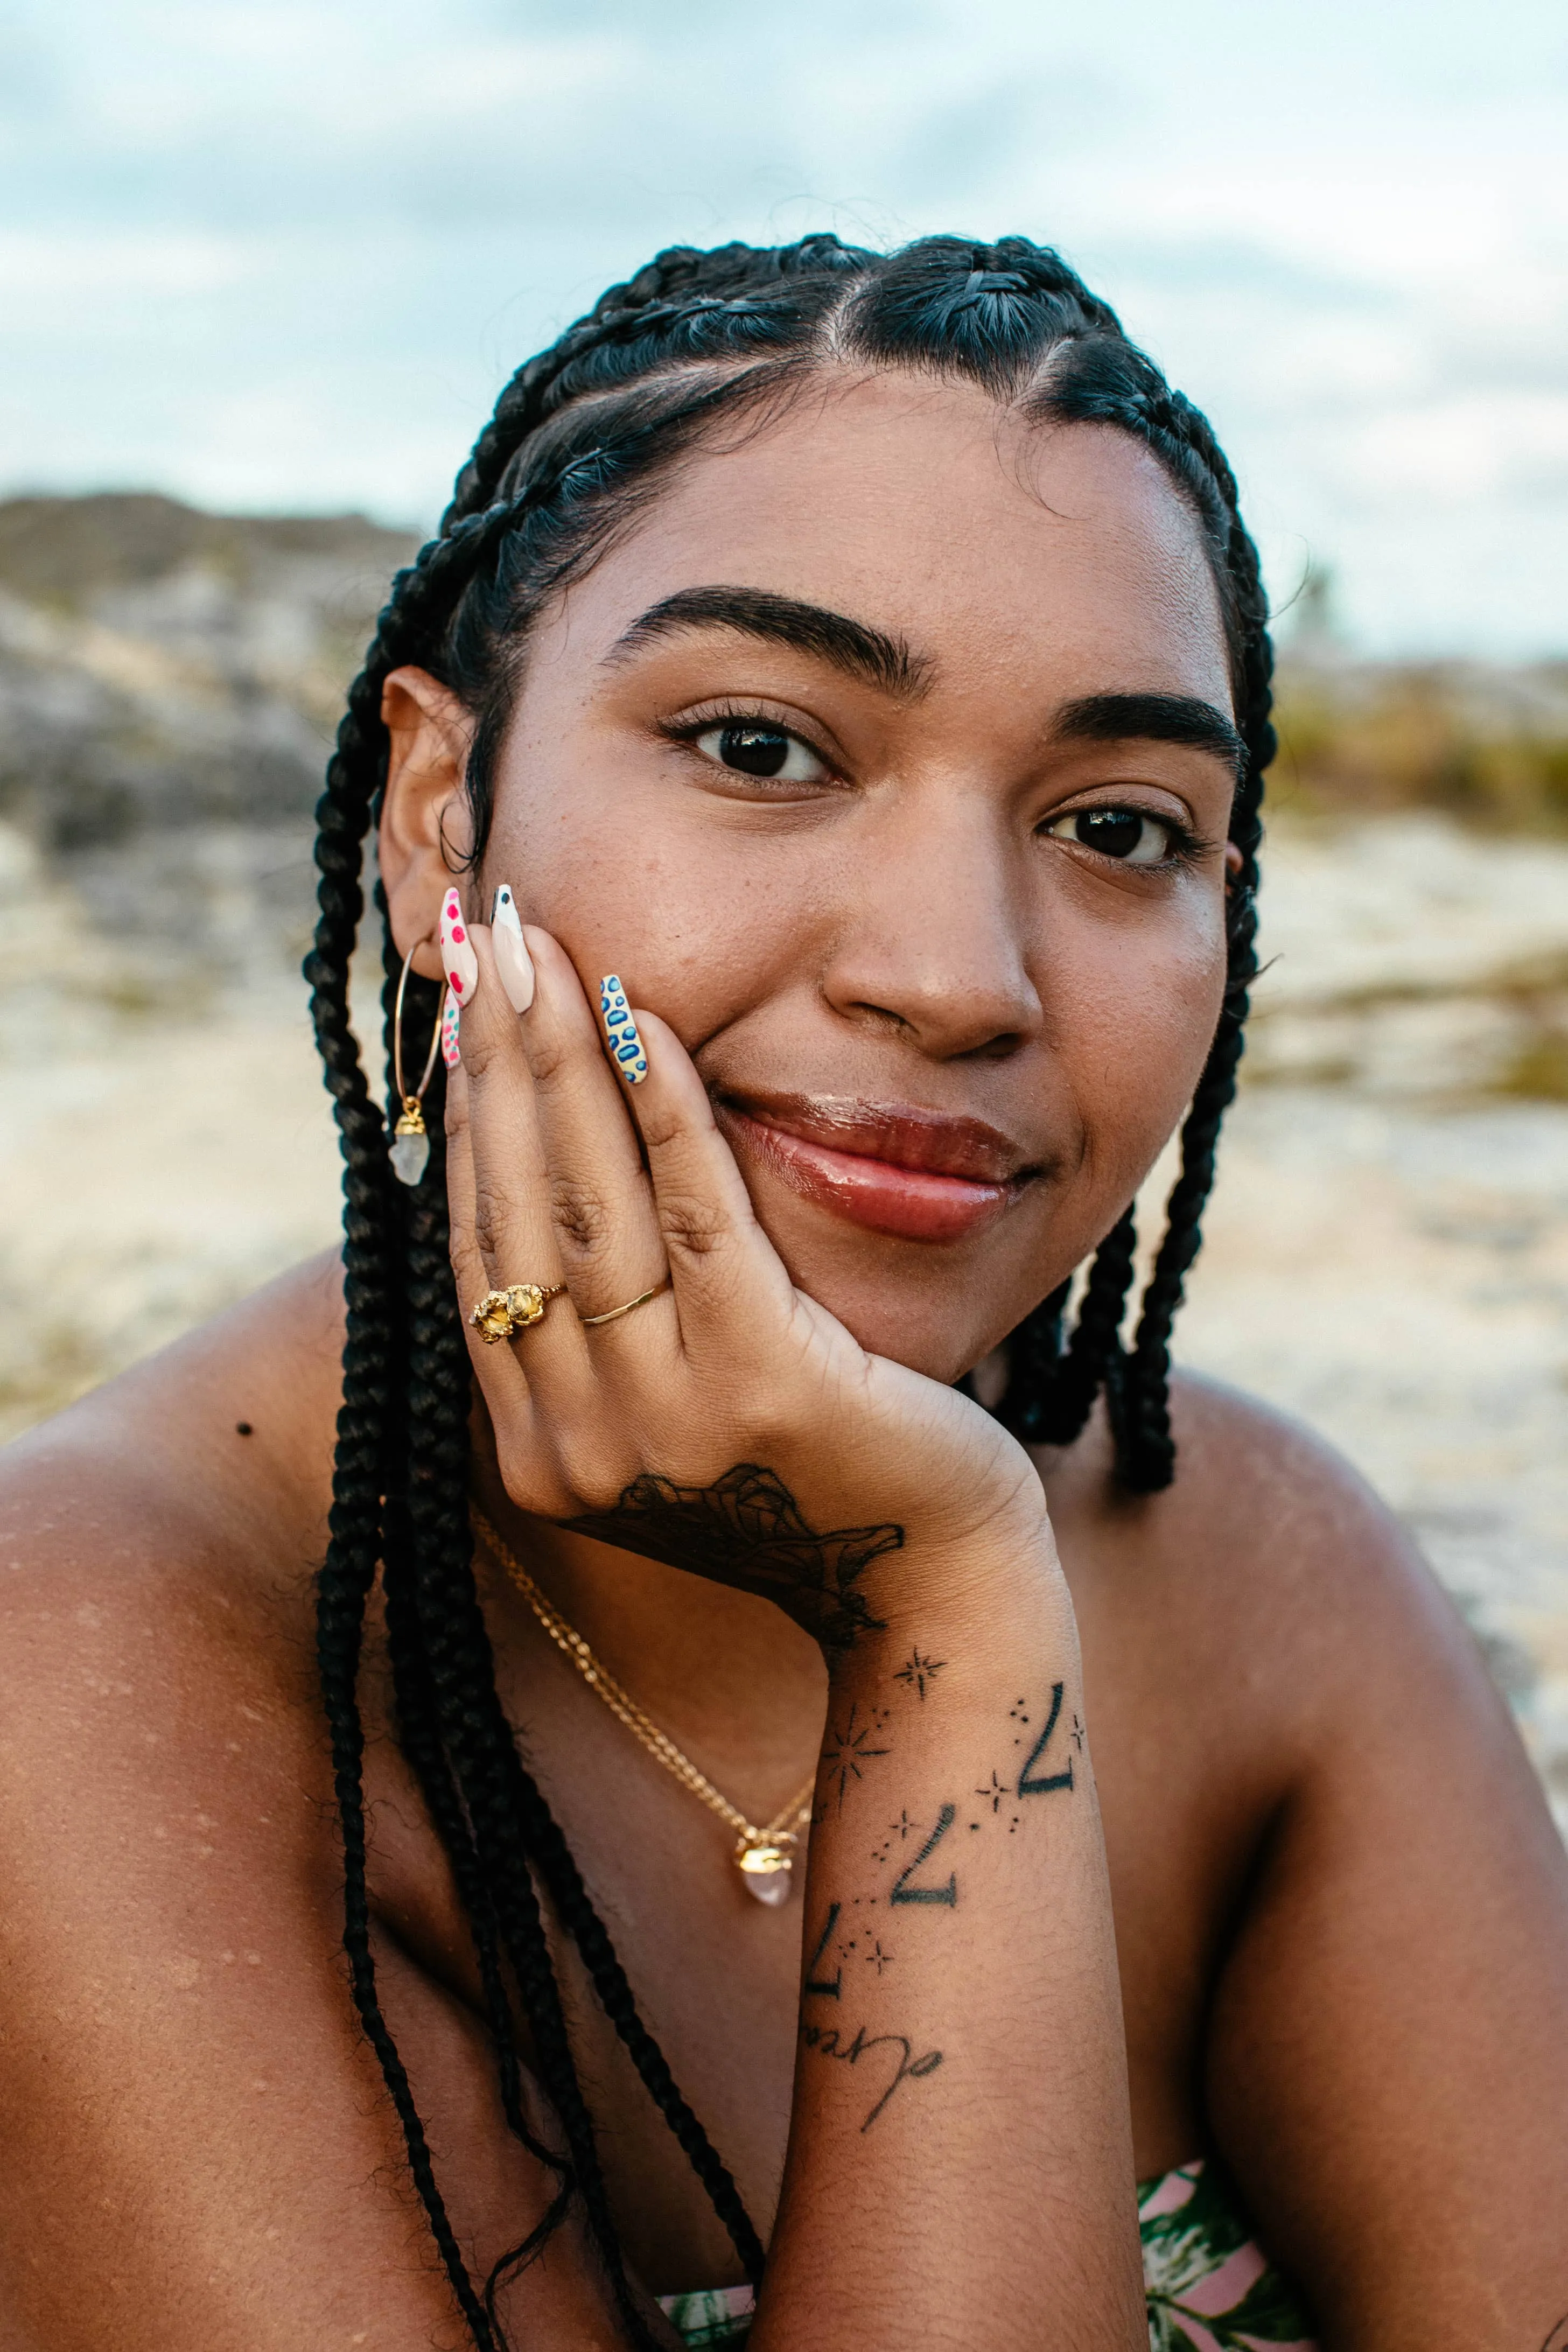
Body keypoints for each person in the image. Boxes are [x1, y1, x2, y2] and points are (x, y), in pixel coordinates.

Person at [1, 233, 1565, 2352]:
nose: (952, 974)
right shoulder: (86, 1672)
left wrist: (965, 1567)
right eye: (758, 747)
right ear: (440, 810)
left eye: (1119, 825)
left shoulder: (1246, 1574)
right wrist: (941, 1616)